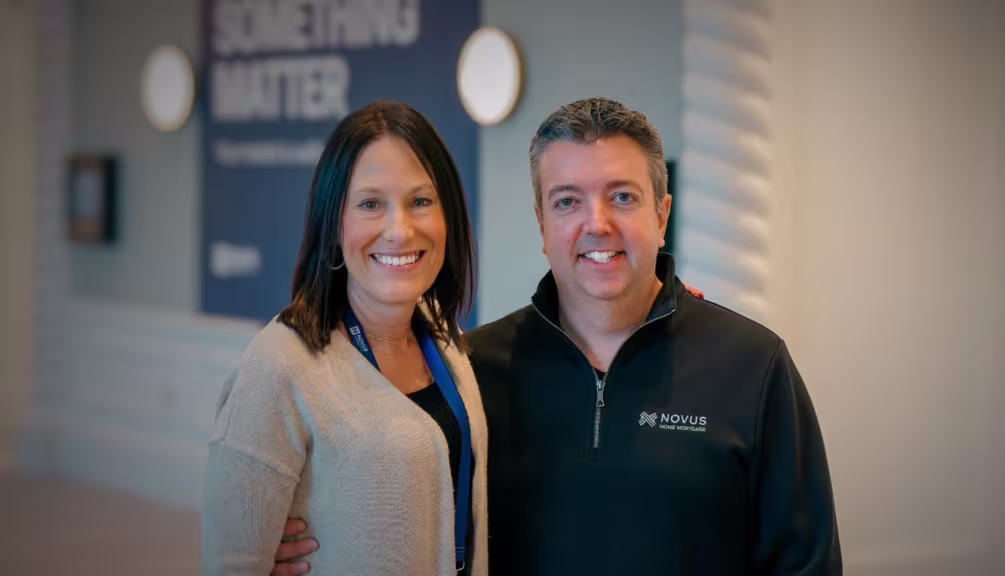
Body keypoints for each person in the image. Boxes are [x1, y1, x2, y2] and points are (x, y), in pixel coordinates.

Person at [274, 97, 842, 575]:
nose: (597, 223)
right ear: (543, 224)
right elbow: (411, 519)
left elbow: (806, 565)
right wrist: (306, 541)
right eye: (567, 201)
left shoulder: (753, 366)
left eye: (623, 196)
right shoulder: (472, 372)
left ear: (662, 214)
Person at [202, 100, 488, 575]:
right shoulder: (280, 363)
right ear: (334, 223)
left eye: (421, 200)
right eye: (371, 204)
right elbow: (229, 563)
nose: (400, 229)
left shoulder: (444, 338)